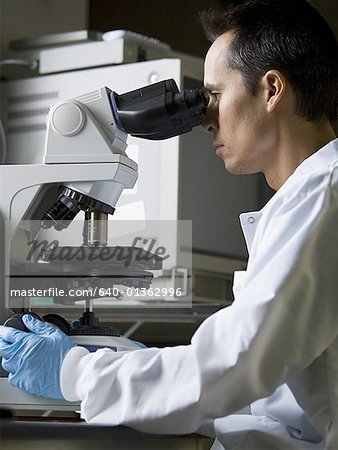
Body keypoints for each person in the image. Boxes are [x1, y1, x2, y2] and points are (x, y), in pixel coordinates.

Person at [1, 0, 338, 448]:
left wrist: (76, 373)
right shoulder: (306, 199)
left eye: (213, 96)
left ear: (272, 88)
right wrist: (150, 373)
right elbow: (275, 403)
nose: (204, 120)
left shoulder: (322, 196)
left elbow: (235, 365)